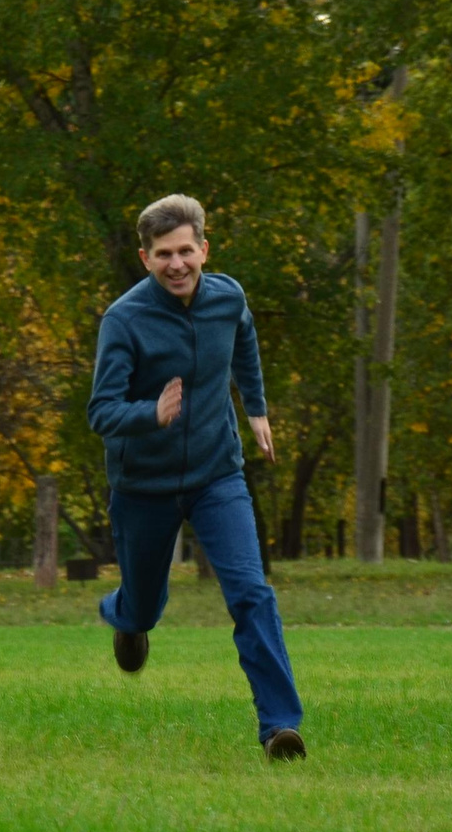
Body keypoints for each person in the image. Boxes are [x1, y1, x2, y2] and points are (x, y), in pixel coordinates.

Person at [88, 195, 307, 761]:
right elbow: (101, 411)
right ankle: (126, 617)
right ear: (145, 258)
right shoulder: (124, 320)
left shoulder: (228, 298)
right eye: (164, 254)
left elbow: (245, 339)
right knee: (145, 607)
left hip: (217, 475)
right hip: (143, 486)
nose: (177, 264)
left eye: (186, 251)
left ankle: (280, 727)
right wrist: (151, 413)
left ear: (204, 249)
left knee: (251, 593)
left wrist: (255, 406)